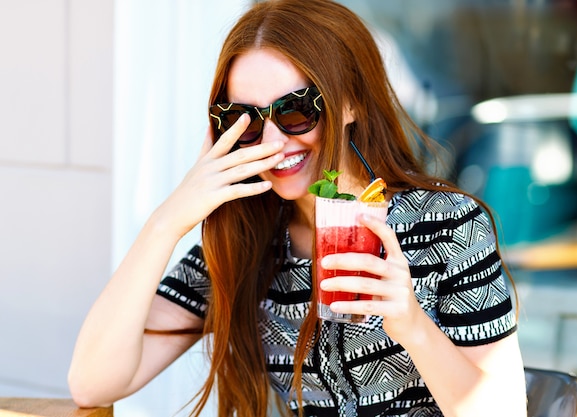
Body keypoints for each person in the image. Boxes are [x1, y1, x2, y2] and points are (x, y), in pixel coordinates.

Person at [68, 1, 527, 416]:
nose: (272, 142)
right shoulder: (249, 243)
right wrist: (165, 223)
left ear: (351, 102)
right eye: (243, 120)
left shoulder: (448, 225)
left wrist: (411, 323)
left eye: (295, 112)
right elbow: (93, 384)